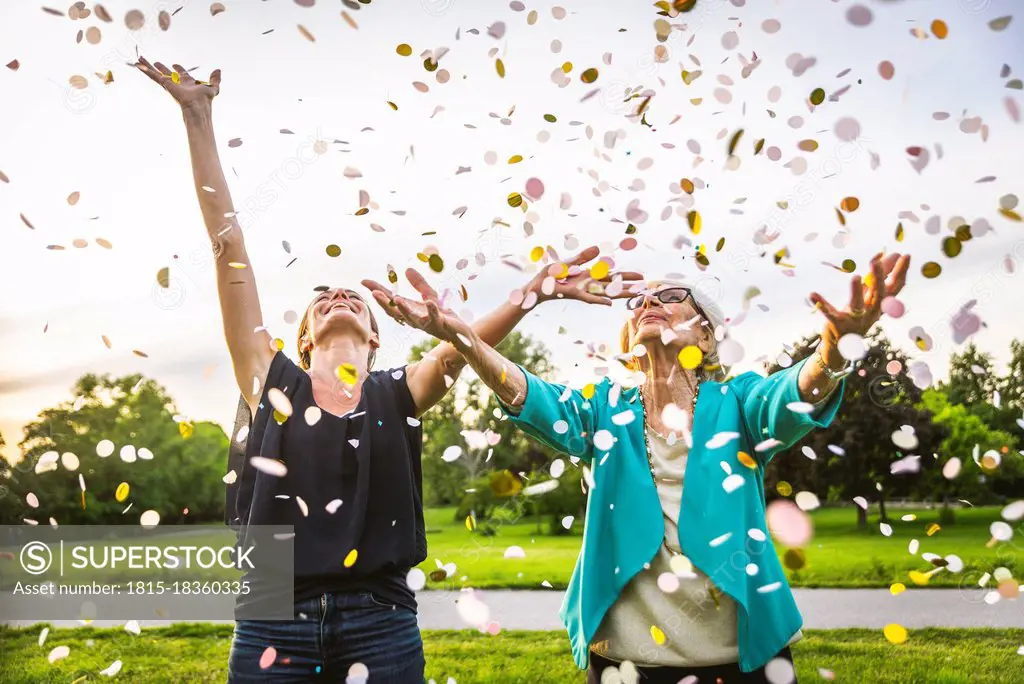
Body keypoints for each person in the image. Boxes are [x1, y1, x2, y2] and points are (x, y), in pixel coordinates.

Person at [132, 57, 639, 682]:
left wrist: (533, 292)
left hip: (380, 617)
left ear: (376, 333)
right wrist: (198, 117)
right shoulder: (271, 379)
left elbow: (462, 349)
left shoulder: (398, 392)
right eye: (323, 298)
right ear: (302, 333)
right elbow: (228, 247)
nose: (339, 296)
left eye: (355, 298)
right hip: (271, 617)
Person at [366, 253, 910, 683]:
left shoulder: (739, 405)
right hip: (626, 664)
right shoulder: (604, 410)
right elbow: (525, 394)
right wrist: (457, 332)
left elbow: (795, 392)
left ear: (705, 335)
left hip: (743, 661)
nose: (649, 301)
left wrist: (836, 348)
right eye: (641, 300)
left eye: (671, 296)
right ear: (628, 340)